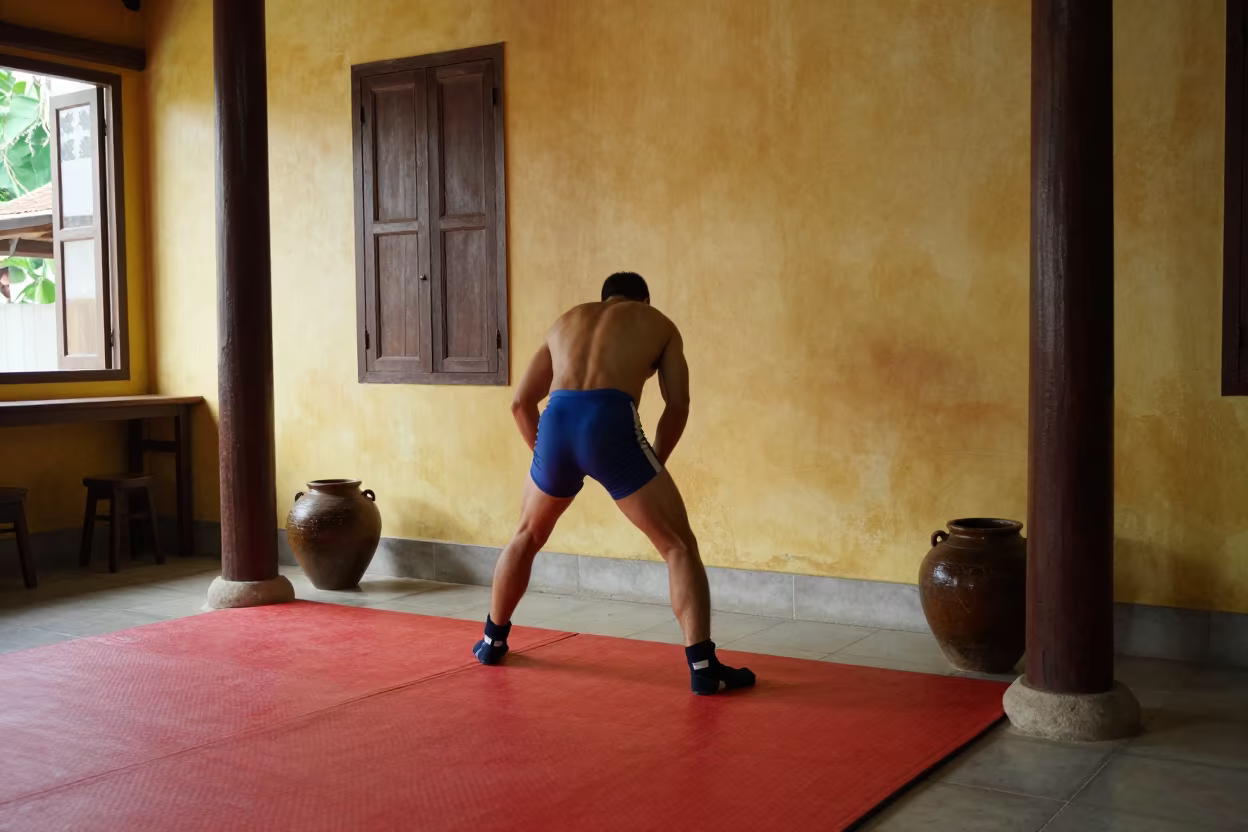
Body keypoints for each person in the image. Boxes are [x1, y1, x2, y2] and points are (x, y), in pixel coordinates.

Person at [473, 272, 756, 696]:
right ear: (643, 299)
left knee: (526, 535)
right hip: (611, 423)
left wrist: (545, 456)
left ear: (603, 299)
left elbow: (520, 402)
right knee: (678, 545)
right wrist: (651, 462)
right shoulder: (657, 323)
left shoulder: (566, 321)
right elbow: (678, 405)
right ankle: (703, 667)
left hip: (557, 422)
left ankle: (493, 642)